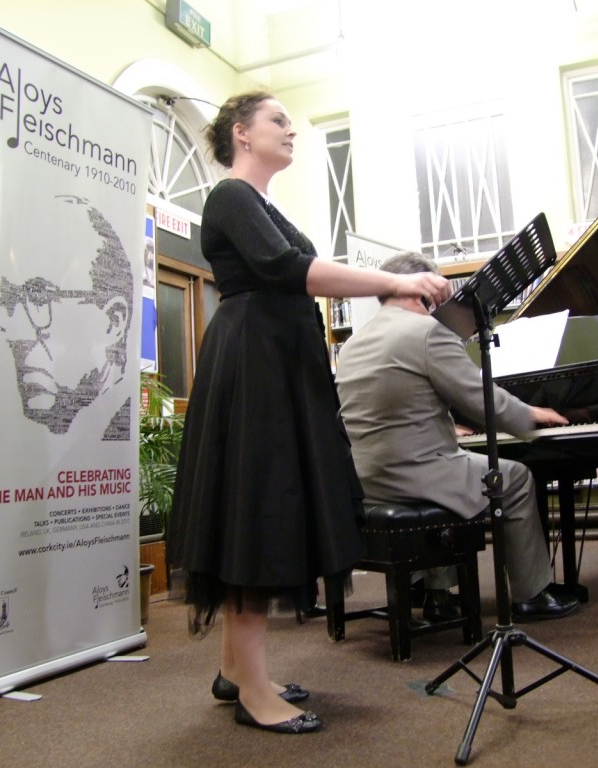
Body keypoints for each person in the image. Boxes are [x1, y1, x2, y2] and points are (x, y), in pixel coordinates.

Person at [166, 91, 451, 736]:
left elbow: (295, 268)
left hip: (273, 362)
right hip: (255, 368)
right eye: (278, 122)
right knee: (260, 512)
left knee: (260, 505)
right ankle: (254, 690)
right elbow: (290, 269)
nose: (291, 131)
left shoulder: (261, 203)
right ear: (242, 134)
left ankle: (236, 668)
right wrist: (395, 282)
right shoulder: (230, 196)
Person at [335, 251, 581, 625]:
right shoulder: (427, 332)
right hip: (413, 476)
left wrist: (442, 428)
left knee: (454, 475)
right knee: (514, 478)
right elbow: (483, 400)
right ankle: (532, 594)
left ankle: (438, 596)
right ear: (422, 289)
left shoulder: (353, 343)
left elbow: (387, 407)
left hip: (365, 479)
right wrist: (528, 415)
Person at [0, 194, 133, 441]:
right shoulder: (8, 443)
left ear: (113, 321)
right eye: (8, 301)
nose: (18, 335)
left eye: (39, 298)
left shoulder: (117, 445)